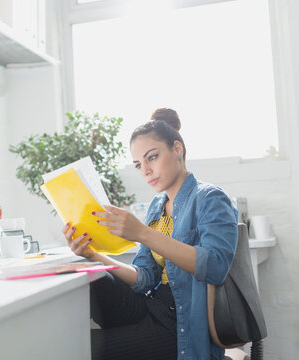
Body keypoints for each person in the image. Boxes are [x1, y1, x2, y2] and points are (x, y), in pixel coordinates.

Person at [62, 108, 238, 360]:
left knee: (79, 348)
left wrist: (142, 233)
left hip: (178, 321)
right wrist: (94, 255)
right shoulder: (156, 207)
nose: (145, 170)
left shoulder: (210, 198)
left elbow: (215, 266)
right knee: (94, 280)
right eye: (138, 165)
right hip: (151, 304)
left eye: (152, 157)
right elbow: (144, 277)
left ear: (177, 149)